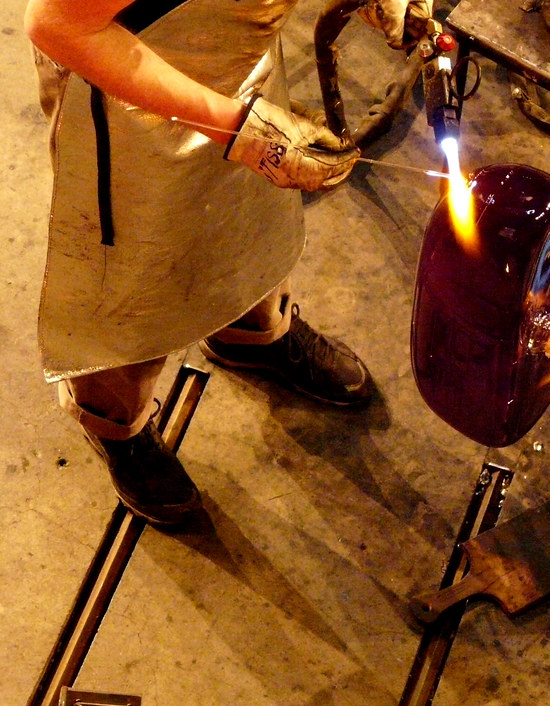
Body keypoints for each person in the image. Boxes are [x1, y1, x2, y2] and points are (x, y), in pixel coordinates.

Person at [23, 0, 430, 527]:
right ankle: (113, 422)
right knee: (131, 269)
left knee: (245, 209)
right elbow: (56, 24)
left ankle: (251, 333)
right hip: (120, 87)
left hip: (233, 55)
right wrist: (238, 129)